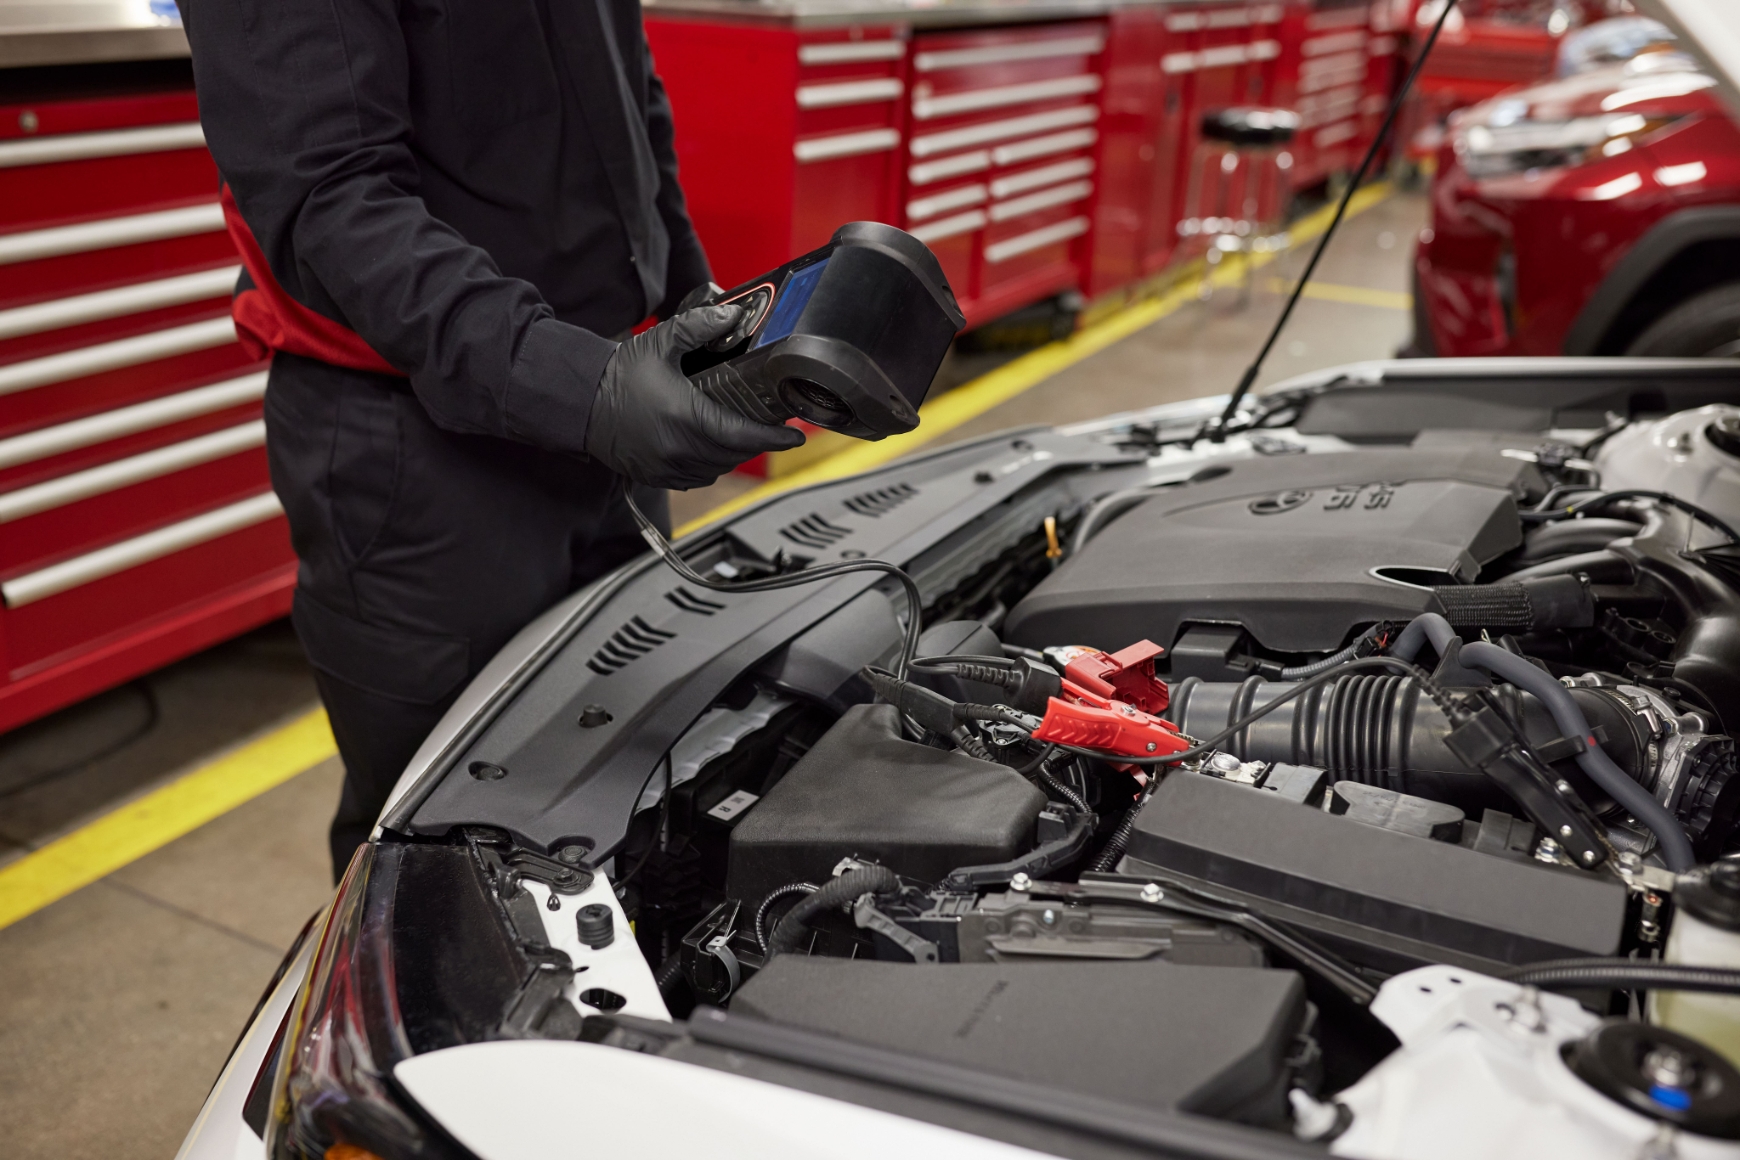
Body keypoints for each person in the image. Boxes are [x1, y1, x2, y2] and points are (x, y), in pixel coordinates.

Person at [179, 0, 802, 879]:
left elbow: (625, 90)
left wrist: (688, 305)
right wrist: (580, 387)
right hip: (421, 457)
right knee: (440, 859)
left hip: (604, 402)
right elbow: (328, 198)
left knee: (621, 786)